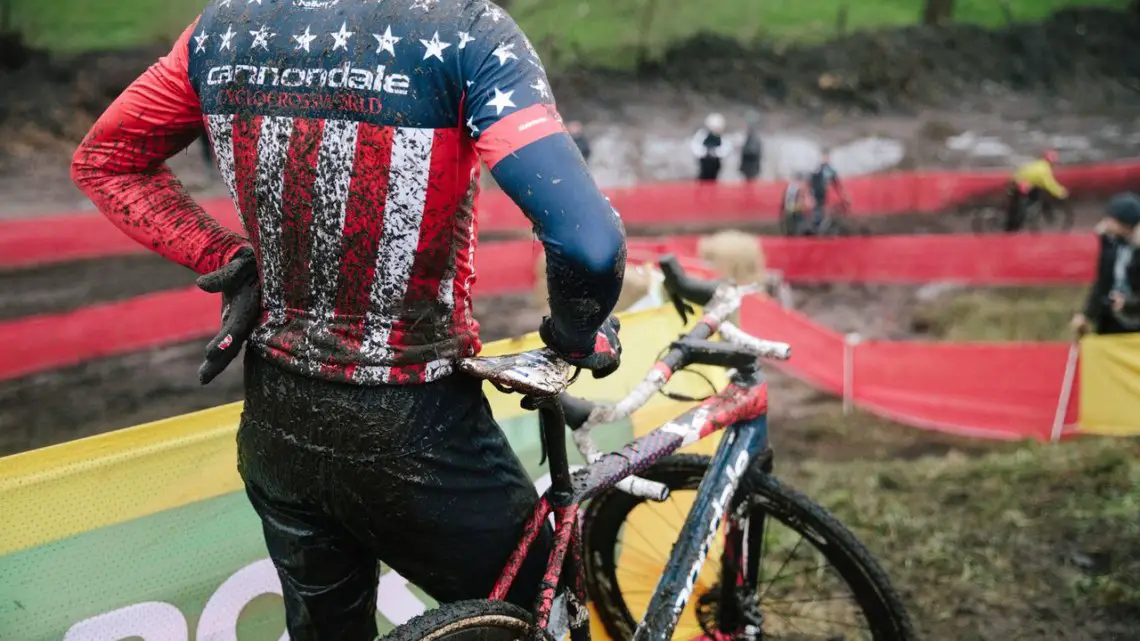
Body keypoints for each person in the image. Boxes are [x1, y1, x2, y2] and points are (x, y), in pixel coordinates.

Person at [70, 2, 626, 640]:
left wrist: (229, 257)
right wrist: (575, 335)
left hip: (277, 417)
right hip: (418, 424)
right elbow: (588, 245)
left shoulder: (222, 26)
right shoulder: (467, 31)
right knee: (553, 617)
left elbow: (106, 160)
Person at [1072, 193, 1140, 337]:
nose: (1106, 223)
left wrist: (1130, 303)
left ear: (1125, 223)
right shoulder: (1109, 245)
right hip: (1111, 321)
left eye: (1111, 219)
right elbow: (1102, 283)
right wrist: (1086, 315)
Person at [1007, 149, 1069, 232]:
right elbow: (1049, 184)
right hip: (1020, 183)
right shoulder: (1044, 170)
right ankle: (1014, 223)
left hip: (1022, 181)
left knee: (1034, 195)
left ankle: (1025, 216)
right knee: (1021, 205)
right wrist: (1061, 192)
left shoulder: (1040, 164)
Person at [808, 149, 850, 231]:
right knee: (817, 212)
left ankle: (824, 227)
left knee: (826, 212)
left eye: (826, 157)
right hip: (817, 194)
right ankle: (816, 227)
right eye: (823, 157)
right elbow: (811, 183)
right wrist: (811, 195)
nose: (825, 159)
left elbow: (837, 184)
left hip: (827, 196)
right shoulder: (817, 170)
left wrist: (843, 195)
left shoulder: (831, 170)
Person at [691, 112, 729, 182]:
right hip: (704, 164)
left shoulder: (721, 137)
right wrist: (705, 152)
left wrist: (714, 152)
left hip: (715, 165)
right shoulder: (702, 135)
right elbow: (696, 148)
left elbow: (725, 150)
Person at [739, 112, 762, 182]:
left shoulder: (754, 137)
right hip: (748, 168)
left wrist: (742, 149)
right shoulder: (749, 137)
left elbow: (753, 151)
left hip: (751, 168)